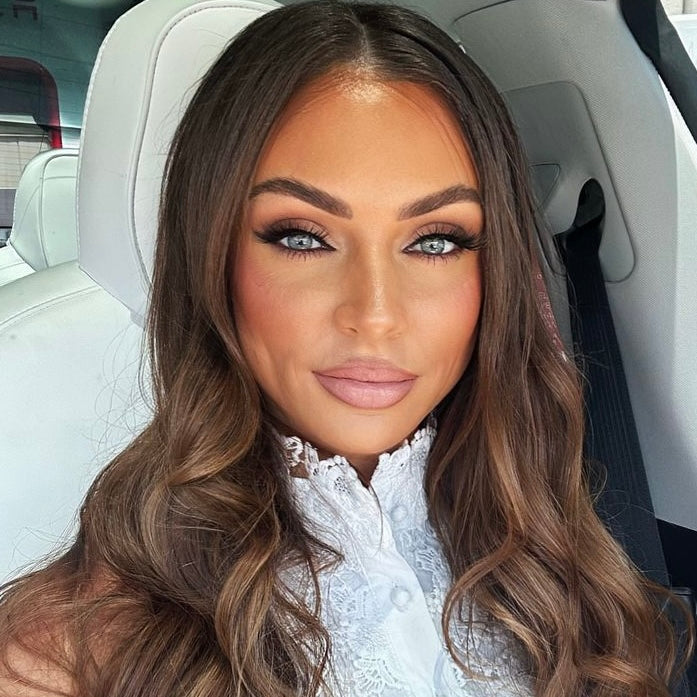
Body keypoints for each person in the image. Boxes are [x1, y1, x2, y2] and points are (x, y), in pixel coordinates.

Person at [0, 1, 693, 696]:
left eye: (435, 241)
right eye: (302, 237)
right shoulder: (65, 655)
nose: (376, 315)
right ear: (212, 259)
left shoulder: (554, 534)